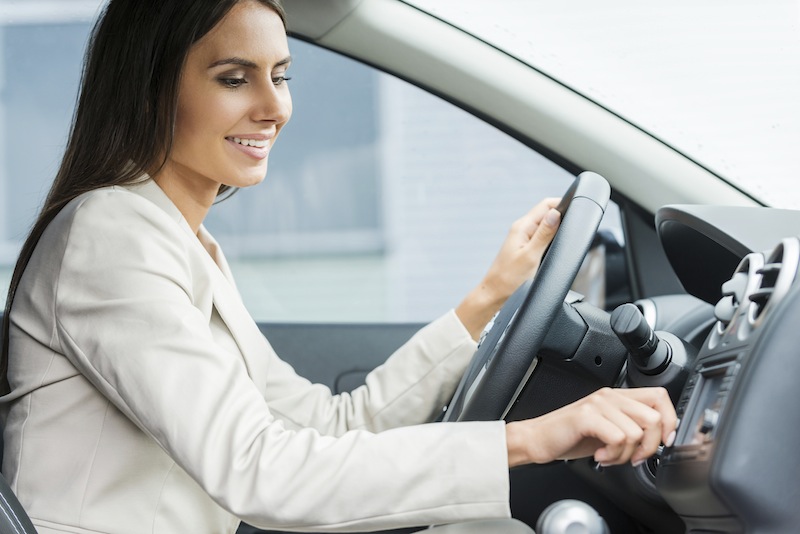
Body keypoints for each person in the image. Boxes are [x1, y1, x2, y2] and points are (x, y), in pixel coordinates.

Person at [0, 1, 677, 533]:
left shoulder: (184, 242)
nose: (275, 108)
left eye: (281, 75)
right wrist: (532, 439)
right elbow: (260, 471)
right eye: (234, 79)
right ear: (151, 91)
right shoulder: (110, 234)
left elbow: (325, 426)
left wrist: (490, 296)